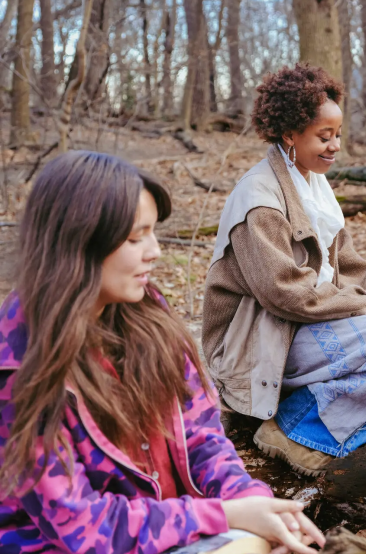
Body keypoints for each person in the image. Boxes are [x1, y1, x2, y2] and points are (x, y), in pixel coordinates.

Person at [0, 151, 325, 554]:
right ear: (76, 242)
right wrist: (225, 516)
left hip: (170, 529)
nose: (154, 250)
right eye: (135, 238)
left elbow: (202, 436)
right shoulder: (17, 368)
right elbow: (82, 527)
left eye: (153, 232)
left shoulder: (147, 312)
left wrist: (254, 503)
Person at [203, 64, 366, 478]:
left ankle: (308, 415)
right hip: (260, 338)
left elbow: (346, 262)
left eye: (338, 135)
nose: (335, 146)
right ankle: (295, 431)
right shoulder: (259, 199)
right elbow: (283, 292)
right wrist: (363, 306)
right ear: (289, 134)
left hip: (304, 323)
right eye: (324, 136)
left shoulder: (312, 183)